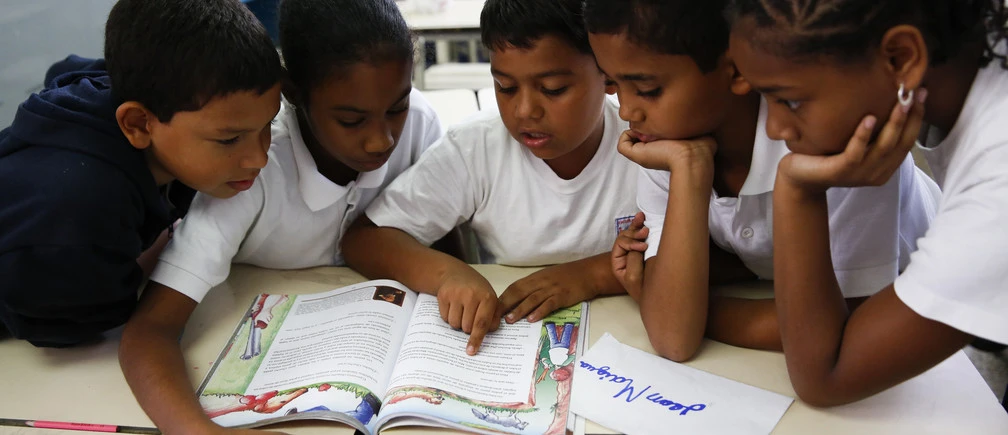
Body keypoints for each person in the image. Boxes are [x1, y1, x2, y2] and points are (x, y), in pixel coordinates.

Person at [118, 0, 443, 432]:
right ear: (292, 91)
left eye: (397, 107)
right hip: (258, 367)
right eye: (351, 119)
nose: (381, 140)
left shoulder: (420, 125)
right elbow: (150, 332)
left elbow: (445, 252)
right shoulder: (250, 168)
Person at [590, 0, 940, 361]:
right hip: (786, 290)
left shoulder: (831, 137)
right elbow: (674, 338)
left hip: (921, 306)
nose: (629, 112)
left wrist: (683, 306)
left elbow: (840, 329)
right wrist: (690, 169)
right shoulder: (668, 140)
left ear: (738, 68)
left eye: (647, 90)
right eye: (613, 84)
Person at [725, 0, 1008, 406]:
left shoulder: (998, 185)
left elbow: (826, 376)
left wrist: (797, 189)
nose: (775, 128)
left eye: (788, 100)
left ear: (901, 58)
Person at [342, 0, 637, 355]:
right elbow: (366, 240)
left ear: (608, 73)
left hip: (627, 342)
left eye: (554, 89)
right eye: (506, 87)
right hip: (514, 341)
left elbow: (714, 255)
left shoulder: (645, 145)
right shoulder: (476, 149)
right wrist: (448, 274)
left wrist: (592, 276)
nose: (525, 110)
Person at [0, 0, 282, 347]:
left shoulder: (146, 86)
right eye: (229, 139)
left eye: (268, 124)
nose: (258, 158)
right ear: (137, 123)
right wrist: (166, 243)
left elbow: (64, 68)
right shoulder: (78, 215)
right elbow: (67, 327)